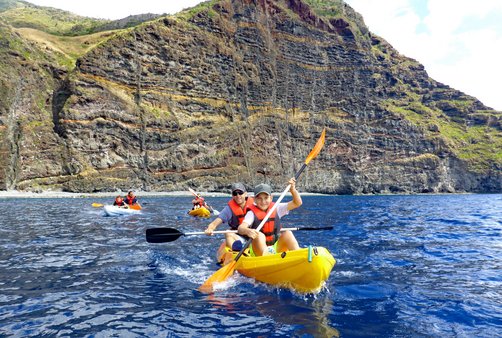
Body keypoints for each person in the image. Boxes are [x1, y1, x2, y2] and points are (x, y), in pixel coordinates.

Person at [238, 178, 301, 256]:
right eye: (259, 199)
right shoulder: (251, 213)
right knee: (259, 235)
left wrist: (293, 190)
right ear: (254, 200)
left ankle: (298, 255)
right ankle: (267, 259)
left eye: (266, 198)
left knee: (288, 233)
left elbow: (297, 203)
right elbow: (241, 228)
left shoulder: (277, 208)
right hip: (258, 251)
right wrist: (247, 231)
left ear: (271, 198)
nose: (263, 202)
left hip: (274, 248)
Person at [204, 183, 254, 250]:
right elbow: (214, 223)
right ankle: (237, 250)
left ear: (245, 194)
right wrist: (210, 229)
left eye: (240, 193)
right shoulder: (229, 209)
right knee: (228, 232)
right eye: (235, 193)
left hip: (253, 235)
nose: (238, 195)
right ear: (232, 196)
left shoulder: (255, 204)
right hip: (238, 237)